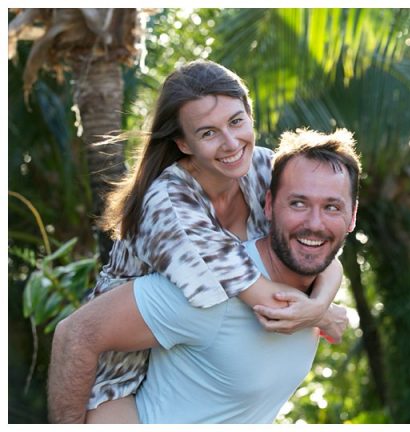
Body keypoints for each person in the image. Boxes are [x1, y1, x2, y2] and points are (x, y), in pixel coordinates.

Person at [47, 60, 346, 423]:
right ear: (183, 144)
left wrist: (320, 305)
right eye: (208, 133)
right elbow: (266, 301)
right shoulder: (169, 204)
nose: (231, 143)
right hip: (121, 372)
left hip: (191, 358)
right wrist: (323, 314)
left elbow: (317, 248)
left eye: (237, 121)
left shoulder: (265, 167)